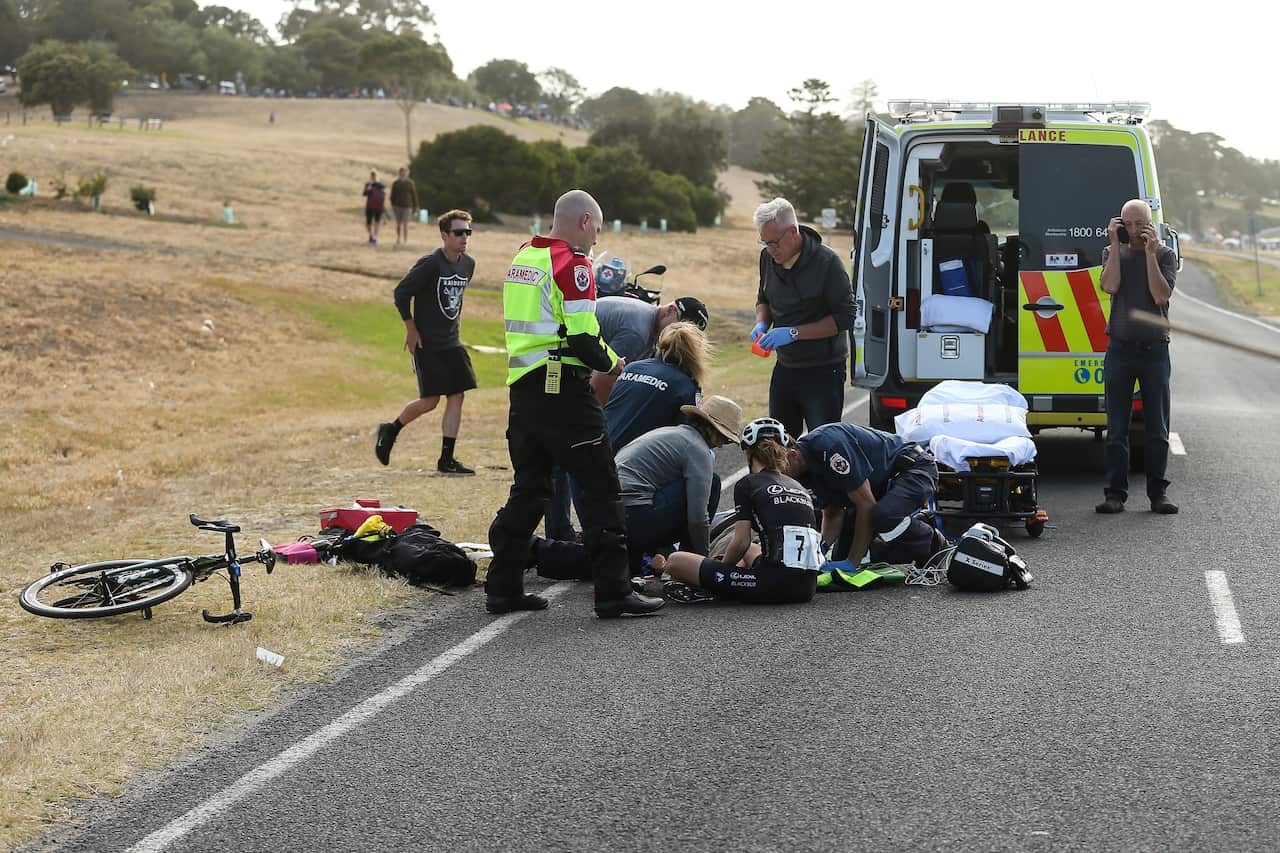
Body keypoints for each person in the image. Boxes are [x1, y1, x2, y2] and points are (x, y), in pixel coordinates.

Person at [485, 189, 664, 619]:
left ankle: (503, 587)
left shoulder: (524, 256)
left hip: (523, 388)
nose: (596, 240)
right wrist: (613, 362)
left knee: (530, 490)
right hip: (563, 388)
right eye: (597, 229)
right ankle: (614, 591)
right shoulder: (572, 263)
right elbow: (583, 337)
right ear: (584, 221)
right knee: (602, 486)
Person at [546, 293, 709, 538]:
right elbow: (599, 383)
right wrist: (599, 431)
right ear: (670, 310)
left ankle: (567, 531)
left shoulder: (647, 335)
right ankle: (562, 533)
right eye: (680, 326)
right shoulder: (637, 334)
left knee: (573, 454)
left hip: (565, 363)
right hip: (558, 366)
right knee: (570, 452)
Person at [663, 418, 820, 604]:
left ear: (748, 454)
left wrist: (721, 570)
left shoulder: (748, 484)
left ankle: (722, 589)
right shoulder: (799, 487)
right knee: (753, 549)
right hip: (807, 588)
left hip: (772, 585)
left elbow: (740, 543)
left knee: (675, 561)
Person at [375, 210, 477, 475]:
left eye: (467, 232)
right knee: (430, 401)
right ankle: (391, 429)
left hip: (452, 342)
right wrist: (411, 329)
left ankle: (447, 459)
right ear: (444, 235)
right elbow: (401, 293)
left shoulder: (468, 264)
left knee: (457, 395)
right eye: (458, 232)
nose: (464, 237)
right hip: (427, 344)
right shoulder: (431, 263)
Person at [1096, 199, 1178, 515]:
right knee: (1117, 429)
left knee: (1157, 429)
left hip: (1154, 350)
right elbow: (1110, 285)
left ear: (1149, 225)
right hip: (1120, 349)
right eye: (1126, 224)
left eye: (1138, 224)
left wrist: (1150, 254)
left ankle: (1158, 493)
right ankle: (1115, 494)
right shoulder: (1111, 252)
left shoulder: (1165, 255)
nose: (1132, 230)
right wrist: (1117, 245)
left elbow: (1160, 294)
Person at [751, 197, 855, 440]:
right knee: (778, 441)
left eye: (774, 242)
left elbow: (846, 316)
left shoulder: (827, 263)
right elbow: (763, 298)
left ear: (792, 232)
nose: (770, 249)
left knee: (822, 443)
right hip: (786, 367)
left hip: (823, 370)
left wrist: (793, 333)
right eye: (764, 242)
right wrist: (761, 322)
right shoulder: (767, 258)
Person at [785, 421, 943, 571]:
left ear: (792, 454)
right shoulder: (798, 470)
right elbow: (834, 512)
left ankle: (933, 543)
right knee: (840, 556)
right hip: (875, 488)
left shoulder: (830, 446)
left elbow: (866, 505)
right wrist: (821, 549)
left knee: (883, 517)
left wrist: (852, 562)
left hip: (912, 468)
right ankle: (908, 537)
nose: (778, 478)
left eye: (779, 469)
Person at [615, 395, 741, 574]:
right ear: (712, 429)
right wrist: (703, 562)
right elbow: (698, 518)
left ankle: (650, 556)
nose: (721, 445)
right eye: (725, 438)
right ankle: (687, 563)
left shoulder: (672, 433)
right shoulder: (697, 448)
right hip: (633, 520)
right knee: (712, 483)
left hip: (613, 515)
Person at [604, 321, 708, 452]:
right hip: (632, 457)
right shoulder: (685, 386)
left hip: (600, 447)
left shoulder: (633, 367)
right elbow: (691, 437)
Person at [390, 166, 420, 248]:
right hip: (397, 206)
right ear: (399, 173)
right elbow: (392, 195)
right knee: (398, 224)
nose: (403, 174)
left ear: (407, 173)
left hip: (407, 206)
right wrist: (393, 205)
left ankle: (405, 240)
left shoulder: (410, 183)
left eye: (405, 172)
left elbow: (414, 195)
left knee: (405, 223)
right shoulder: (396, 183)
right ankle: (398, 238)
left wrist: (416, 206)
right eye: (402, 172)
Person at [363, 170, 387, 245]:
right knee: (368, 223)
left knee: (377, 222)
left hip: (378, 206)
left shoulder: (381, 185)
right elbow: (364, 193)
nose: (373, 177)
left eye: (374, 175)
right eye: (372, 175)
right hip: (370, 206)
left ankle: (374, 237)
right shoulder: (368, 184)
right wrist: (369, 187)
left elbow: (383, 194)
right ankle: (372, 236)